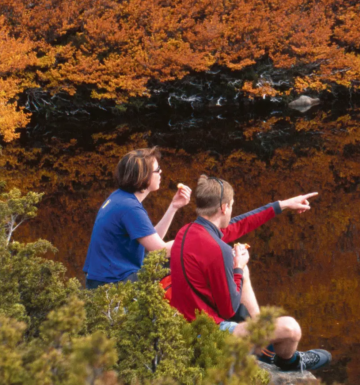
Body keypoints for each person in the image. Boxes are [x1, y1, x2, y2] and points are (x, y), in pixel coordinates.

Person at [169, 175, 331, 372]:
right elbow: (229, 309)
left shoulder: (186, 231)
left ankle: (266, 345)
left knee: (242, 272)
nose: (232, 211)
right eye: (232, 205)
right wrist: (237, 267)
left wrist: (284, 204)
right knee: (290, 328)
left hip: (186, 324)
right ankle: (290, 362)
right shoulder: (218, 250)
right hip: (206, 335)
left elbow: (239, 224)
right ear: (224, 207)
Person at [83, 147, 191, 289]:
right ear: (144, 176)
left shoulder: (119, 197)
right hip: (111, 285)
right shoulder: (130, 208)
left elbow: (153, 240)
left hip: (101, 280)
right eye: (157, 169)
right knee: (174, 264)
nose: (161, 172)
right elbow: (161, 251)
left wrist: (173, 207)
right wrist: (195, 240)